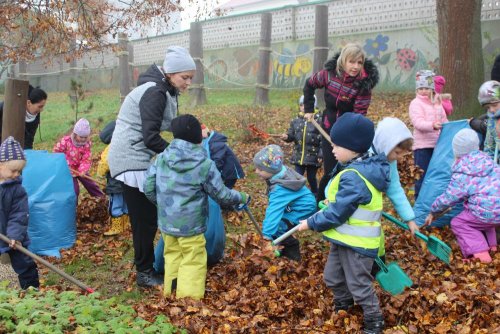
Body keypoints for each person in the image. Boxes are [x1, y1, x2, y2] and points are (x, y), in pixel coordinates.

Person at [107, 46, 196, 288]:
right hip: (131, 159)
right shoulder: (155, 92)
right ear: (170, 72)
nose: (188, 83)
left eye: (191, 78)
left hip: (138, 157)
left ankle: (146, 267)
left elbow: (167, 123)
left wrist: (195, 131)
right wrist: (180, 157)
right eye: (185, 77)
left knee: (146, 217)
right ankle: (144, 273)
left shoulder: (163, 89)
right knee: (145, 219)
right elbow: (150, 137)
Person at [297, 113, 389, 334]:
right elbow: (345, 203)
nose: (333, 150)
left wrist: (311, 223)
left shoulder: (355, 175)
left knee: (359, 284)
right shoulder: (353, 168)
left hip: (358, 244)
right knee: (332, 277)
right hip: (342, 238)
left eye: (337, 145)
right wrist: (332, 202)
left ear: (354, 147)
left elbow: (337, 213)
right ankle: (343, 304)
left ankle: (374, 320)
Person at [144, 114, 249, 300]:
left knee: (173, 255)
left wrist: (163, 206)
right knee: (192, 259)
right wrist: (240, 196)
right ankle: (187, 302)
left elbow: (148, 188)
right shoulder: (204, 164)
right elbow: (222, 195)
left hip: (167, 223)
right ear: (198, 138)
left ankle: (171, 294)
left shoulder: (160, 159)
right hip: (191, 226)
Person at [302, 43, 379, 203]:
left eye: (359, 63)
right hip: (328, 127)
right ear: (343, 61)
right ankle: (321, 204)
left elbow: (359, 115)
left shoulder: (363, 85)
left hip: (347, 132)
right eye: (352, 62)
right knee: (330, 170)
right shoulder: (329, 75)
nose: (356, 66)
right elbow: (309, 84)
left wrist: (349, 142)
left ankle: (340, 202)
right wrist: (309, 109)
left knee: (343, 170)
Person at [424, 129, 500, 263]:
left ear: (457, 152)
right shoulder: (489, 161)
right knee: (487, 213)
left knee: (459, 222)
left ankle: (481, 255)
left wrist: (433, 210)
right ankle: (493, 246)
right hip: (497, 211)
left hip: (486, 213)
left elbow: (449, 197)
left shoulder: (463, 171)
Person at [371, 117, 419, 275]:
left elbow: (395, 189)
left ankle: (378, 266)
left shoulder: (389, 161)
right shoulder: (363, 156)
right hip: (354, 208)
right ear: (386, 144)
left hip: (373, 210)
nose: (399, 157)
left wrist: (410, 219)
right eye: (397, 152)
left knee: (376, 236)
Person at [253, 144, 316, 261]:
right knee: (278, 224)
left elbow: (274, 211)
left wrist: (266, 236)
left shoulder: (280, 188)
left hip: (303, 208)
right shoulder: (281, 172)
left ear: (270, 170)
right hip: (297, 204)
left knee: (279, 227)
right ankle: (282, 246)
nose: (256, 171)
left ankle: (292, 254)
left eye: (260, 169)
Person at [0, 136, 40, 289]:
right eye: (13, 170)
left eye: (19, 170)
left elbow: (19, 215)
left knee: (25, 264)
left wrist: (15, 236)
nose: (17, 174)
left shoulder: (17, 190)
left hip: (13, 237)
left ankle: (32, 291)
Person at [409, 70, 448, 199]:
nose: (423, 91)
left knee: (435, 173)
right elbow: (418, 123)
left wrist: (448, 127)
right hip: (422, 146)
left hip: (437, 145)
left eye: (426, 88)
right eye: (420, 88)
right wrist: (432, 125)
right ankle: (419, 199)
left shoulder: (438, 103)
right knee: (422, 174)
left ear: (432, 88)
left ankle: (433, 199)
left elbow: (444, 120)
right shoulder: (416, 103)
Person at [53, 118, 104, 200]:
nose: (83, 139)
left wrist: (83, 170)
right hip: (68, 170)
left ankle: (101, 198)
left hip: (80, 169)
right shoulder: (66, 141)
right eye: (81, 137)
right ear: (75, 134)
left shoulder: (86, 144)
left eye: (85, 137)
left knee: (91, 184)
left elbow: (86, 159)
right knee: (74, 190)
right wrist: (60, 163)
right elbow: (56, 152)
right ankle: (73, 205)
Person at [281, 95, 322, 195]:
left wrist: (321, 154)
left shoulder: (319, 121)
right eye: (301, 105)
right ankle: (297, 194)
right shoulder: (296, 121)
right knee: (297, 176)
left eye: (306, 105)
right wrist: (287, 137)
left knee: (311, 177)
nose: (303, 107)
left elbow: (323, 139)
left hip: (313, 156)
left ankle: (315, 193)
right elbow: (291, 135)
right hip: (299, 155)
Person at [96, 121, 129, 236]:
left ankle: (117, 227)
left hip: (115, 183)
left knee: (115, 205)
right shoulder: (127, 144)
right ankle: (126, 224)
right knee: (125, 203)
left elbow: (105, 163)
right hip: (127, 181)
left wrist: (100, 174)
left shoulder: (110, 148)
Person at [0, 85, 47, 149]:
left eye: (43, 106)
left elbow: (29, 140)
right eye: (40, 106)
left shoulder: (35, 116)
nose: (41, 110)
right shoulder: (5, 109)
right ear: (28, 103)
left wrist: (28, 154)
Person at [201, 124, 244, 189]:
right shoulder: (208, 142)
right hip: (224, 171)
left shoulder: (216, 144)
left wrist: (212, 175)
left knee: (225, 190)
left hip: (229, 172)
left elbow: (218, 161)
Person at [471, 80, 500, 159]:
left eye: (494, 105)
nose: (491, 110)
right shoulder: (492, 121)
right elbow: (489, 147)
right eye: (488, 107)